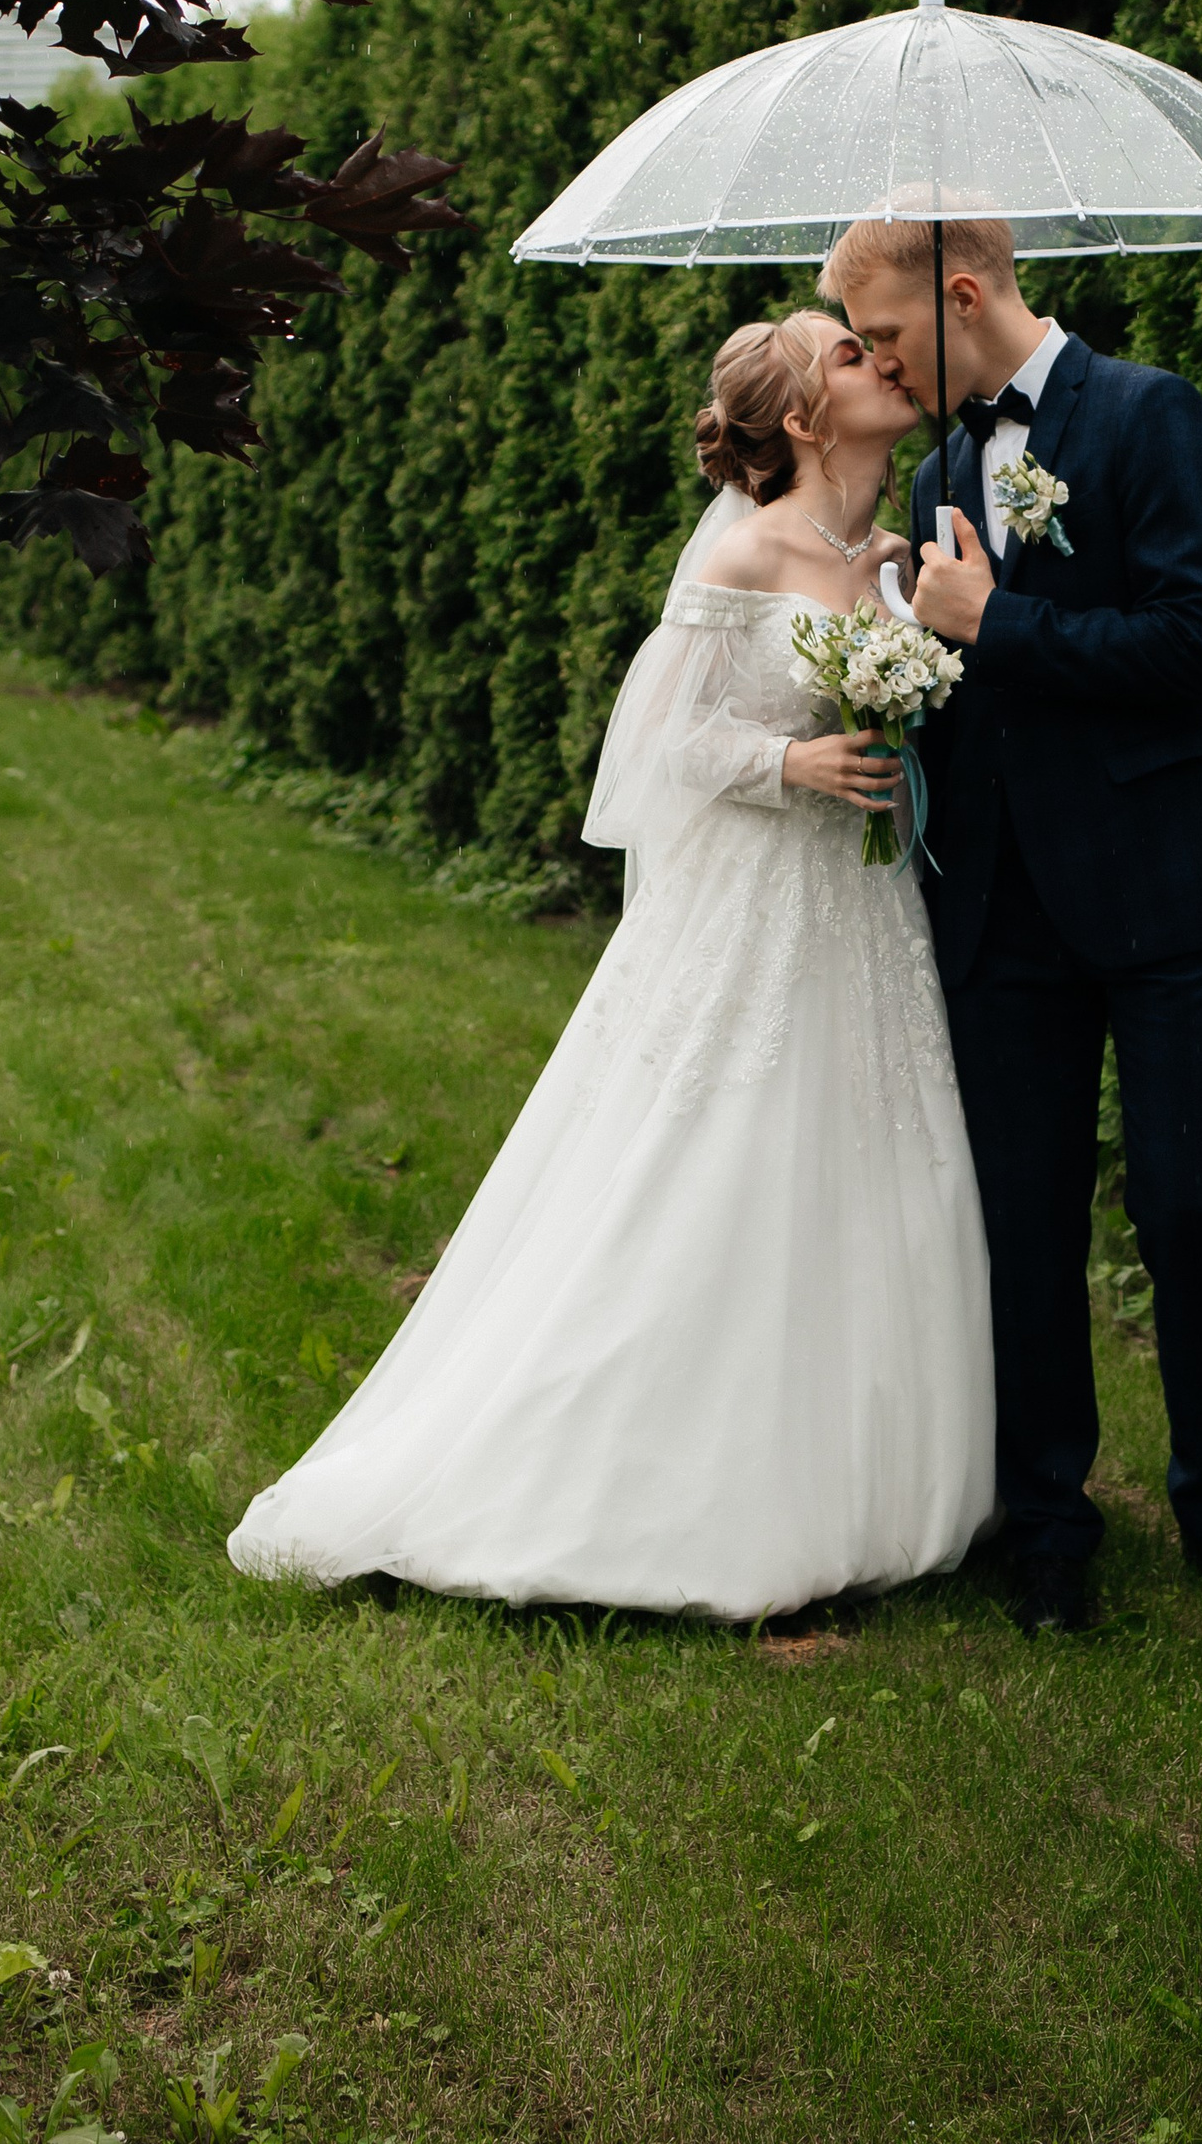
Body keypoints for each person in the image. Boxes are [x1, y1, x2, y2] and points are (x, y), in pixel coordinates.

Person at [225, 311, 995, 1621]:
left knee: (862, 1159)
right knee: (715, 1162)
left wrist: (928, 650)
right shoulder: (749, 548)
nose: (885, 361)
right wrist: (789, 761)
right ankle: (629, 1481)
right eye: (854, 356)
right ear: (807, 418)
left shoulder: (892, 553)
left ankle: (873, 1484)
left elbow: (908, 699)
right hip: (756, 907)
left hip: (864, 916)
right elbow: (653, 745)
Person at [828, 215, 1202, 1638]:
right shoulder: (943, 463)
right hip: (1003, 902)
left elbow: (1197, 644)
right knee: (1020, 1223)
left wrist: (991, 621)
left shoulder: (1152, 415)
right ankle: (1047, 1530)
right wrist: (890, 682)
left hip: (1162, 891)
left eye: (889, 333)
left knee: (1187, 1202)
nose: (881, 363)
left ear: (962, 295)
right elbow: (973, 681)